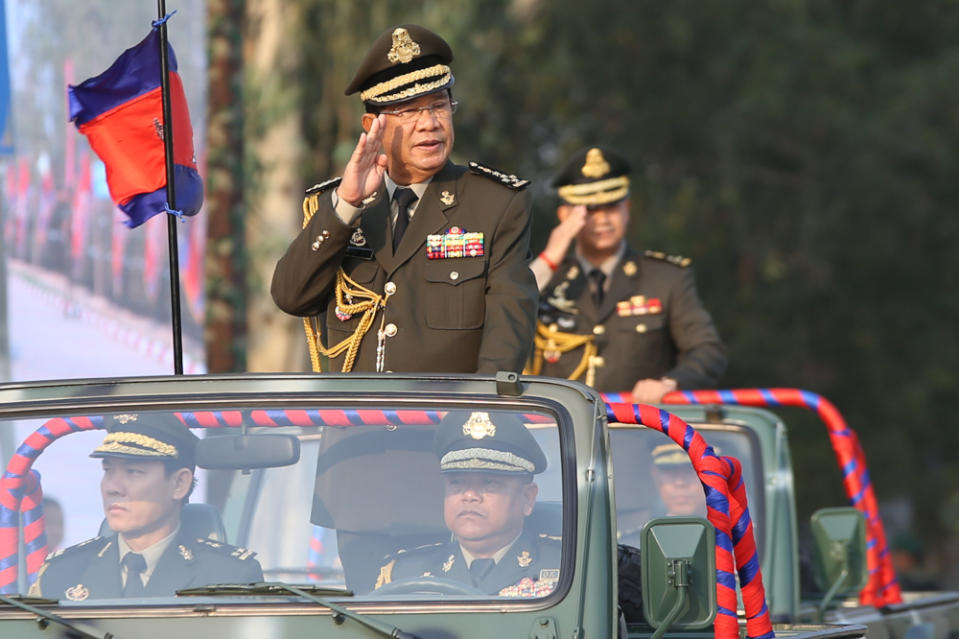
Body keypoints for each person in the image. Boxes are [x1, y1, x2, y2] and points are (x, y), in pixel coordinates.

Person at [271, 24, 537, 375]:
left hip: (447, 423)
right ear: (372, 125)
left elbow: (508, 333)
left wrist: (476, 419)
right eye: (409, 111)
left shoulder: (496, 205)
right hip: (355, 424)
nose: (429, 123)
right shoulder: (334, 206)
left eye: (439, 106)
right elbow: (292, 297)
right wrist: (347, 206)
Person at [527, 145, 726, 402]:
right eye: (589, 210)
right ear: (565, 215)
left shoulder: (665, 278)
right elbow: (502, 316)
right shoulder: (545, 277)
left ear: (627, 209)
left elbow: (708, 351)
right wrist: (549, 259)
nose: (603, 220)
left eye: (611, 207)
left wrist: (670, 384)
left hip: (639, 433)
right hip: (560, 436)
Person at [30, 414, 263, 600]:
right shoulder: (60, 573)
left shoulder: (230, 577)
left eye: (133, 472)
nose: (112, 487)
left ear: (179, 484)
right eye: (108, 470)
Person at [374, 411, 561, 597]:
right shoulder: (406, 573)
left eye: (489, 482)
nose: (469, 495)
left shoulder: (566, 567)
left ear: (528, 497)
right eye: (457, 482)